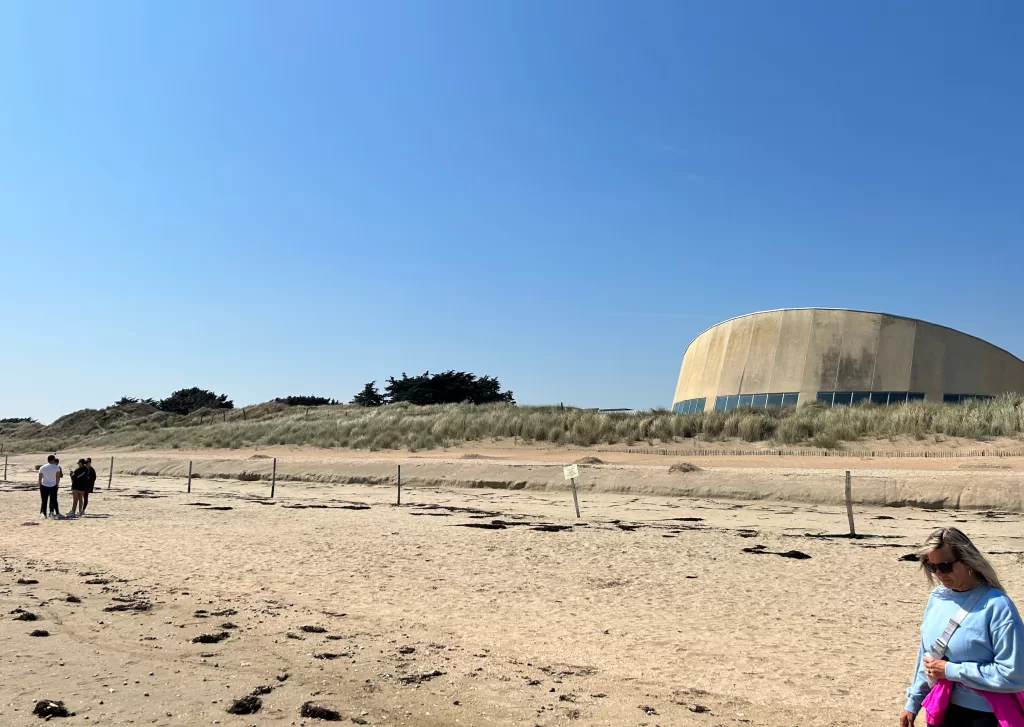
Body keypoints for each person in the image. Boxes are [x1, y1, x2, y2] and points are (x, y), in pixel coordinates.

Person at [902, 527, 1024, 727]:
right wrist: (913, 701)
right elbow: (928, 656)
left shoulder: (998, 606)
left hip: (984, 716)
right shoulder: (937, 598)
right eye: (933, 567)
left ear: (967, 561)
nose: (939, 574)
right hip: (939, 708)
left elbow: (1015, 674)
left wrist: (951, 670)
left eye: (946, 566)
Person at [37, 454, 62, 519]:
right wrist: (57, 484)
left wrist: (39, 484)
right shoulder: (56, 467)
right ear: (53, 460)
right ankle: (51, 512)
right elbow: (58, 477)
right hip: (53, 485)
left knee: (44, 500)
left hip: (44, 485)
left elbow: (40, 477)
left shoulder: (42, 467)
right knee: (53, 499)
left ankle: (44, 513)